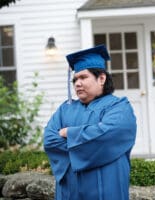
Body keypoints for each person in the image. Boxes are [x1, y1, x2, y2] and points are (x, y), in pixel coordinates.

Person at [43, 45, 137, 200]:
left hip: (107, 191)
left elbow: (107, 136)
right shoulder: (64, 109)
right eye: (75, 79)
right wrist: (89, 137)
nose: (77, 83)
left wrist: (68, 133)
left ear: (101, 78)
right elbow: (49, 140)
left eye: (83, 77)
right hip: (70, 192)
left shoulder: (119, 107)